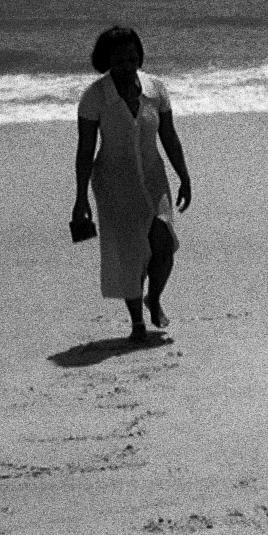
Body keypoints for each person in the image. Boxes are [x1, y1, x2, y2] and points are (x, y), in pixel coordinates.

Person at [74, 26, 192, 344]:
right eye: (120, 58)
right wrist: (80, 198)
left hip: (154, 178)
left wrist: (184, 176)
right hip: (114, 183)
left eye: (132, 56)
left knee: (164, 245)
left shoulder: (156, 89)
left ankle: (153, 298)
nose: (128, 63)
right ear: (106, 60)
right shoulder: (95, 97)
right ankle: (137, 321)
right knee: (129, 253)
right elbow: (85, 150)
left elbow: (169, 136)